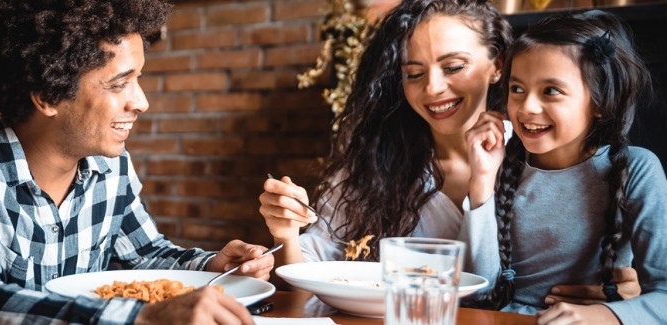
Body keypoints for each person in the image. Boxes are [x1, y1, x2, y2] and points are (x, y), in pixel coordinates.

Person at [259, 0, 638, 305]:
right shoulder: (374, 166)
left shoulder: (548, 152)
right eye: (413, 74)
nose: (433, 89)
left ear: (497, 66)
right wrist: (288, 234)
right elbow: (307, 286)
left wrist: (624, 295)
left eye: (454, 66)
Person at [0, 0, 270, 324]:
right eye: (120, 84)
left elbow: (144, 255)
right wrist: (139, 319)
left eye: (138, 79)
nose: (142, 102)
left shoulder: (111, 168)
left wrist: (212, 266)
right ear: (48, 95)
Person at [464, 10, 667, 324]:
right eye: (517, 89)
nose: (527, 107)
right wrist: (481, 182)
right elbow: (481, 293)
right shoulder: (500, 166)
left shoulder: (637, 170)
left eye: (551, 91)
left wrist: (603, 315)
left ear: (599, 102)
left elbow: (663, 294)